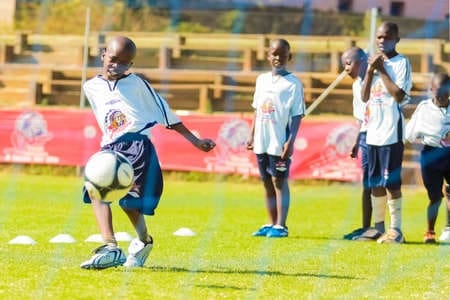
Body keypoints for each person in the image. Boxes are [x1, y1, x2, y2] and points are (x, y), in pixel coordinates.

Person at [80, 36, 216, 269]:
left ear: (130, 65)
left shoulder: (137, 84)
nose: (116, 65)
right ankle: (111, 247)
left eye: (123, 62)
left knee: (130, 203)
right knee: (96, 191)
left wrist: (195, 141)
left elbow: (165, 113)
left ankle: (143, 242)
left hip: (137, 145)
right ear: (103, 55)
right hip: (110, 148)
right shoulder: (90, 87)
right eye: (112, 59)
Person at [357, 22, 412, 243]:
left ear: (397, 39)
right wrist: (370, 71)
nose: (382, 41)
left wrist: (381, 69)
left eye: (387, 37)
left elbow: (399, 96)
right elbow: (363, 97)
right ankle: (378, 228)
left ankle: (396, 230)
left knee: (391, 182)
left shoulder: (401, 63)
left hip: (391, 133)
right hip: (373, 133)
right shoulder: (373, 63)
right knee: (375, 182)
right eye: (379, 37)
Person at [247, 38, 305, 238]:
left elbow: (297, 114)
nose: (278, 58)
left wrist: (291, 141)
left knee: (279, 181)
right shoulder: (261, 79)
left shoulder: (293, 84)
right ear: (268, 55)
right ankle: (271, 223)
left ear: (289, 57)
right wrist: (252, 134)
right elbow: (257, 108)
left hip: (279, 141)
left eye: (282, 54)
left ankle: (282, 225)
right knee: (266, 182)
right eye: (274, 54)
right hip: (262, 140)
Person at [405, 72, 450, 243]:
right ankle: (430, 231)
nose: (442, 94)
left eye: (446, 90)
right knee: (435, 197)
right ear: (432, 89)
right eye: (438, 90)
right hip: (431, 155)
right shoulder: (424, 108)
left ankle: (448, 228)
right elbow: (409, 134)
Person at [340, 47, 372, 240]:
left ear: (361, 62)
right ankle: (366, 226)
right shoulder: (355, 85)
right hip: (365, 136)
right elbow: (361, 117)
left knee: (377, 183)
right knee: (366, 183)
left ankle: (382, 227)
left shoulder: (375, 80)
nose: (346, 68)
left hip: (380, 136)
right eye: (344, 64)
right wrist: (356, 140)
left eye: (349, 63)